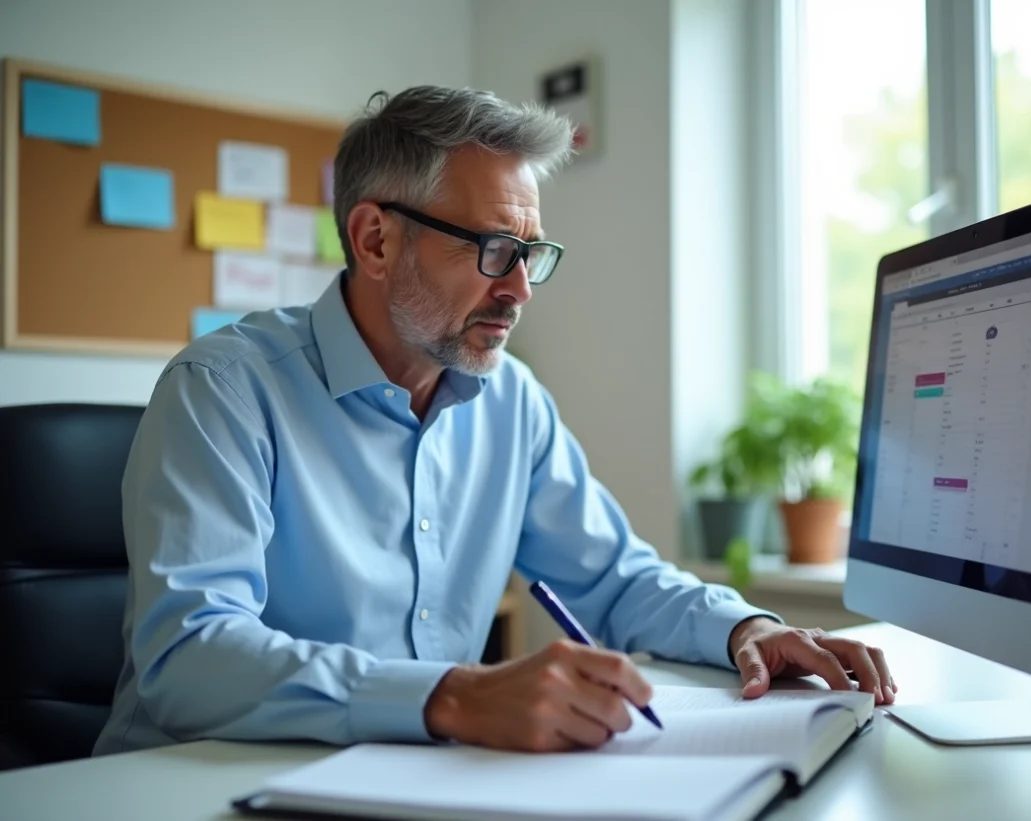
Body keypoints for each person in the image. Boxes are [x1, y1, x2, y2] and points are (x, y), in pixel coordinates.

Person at [93, 86, 895, 757]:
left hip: (410, 785)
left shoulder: (512, 400)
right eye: (491, 248)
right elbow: (189, 655)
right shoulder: (224, 391)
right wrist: (454, 696)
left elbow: (615, 579)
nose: (520, 289)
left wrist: (746, 628)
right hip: (187, 784)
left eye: (532, 253)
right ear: (375, 239)